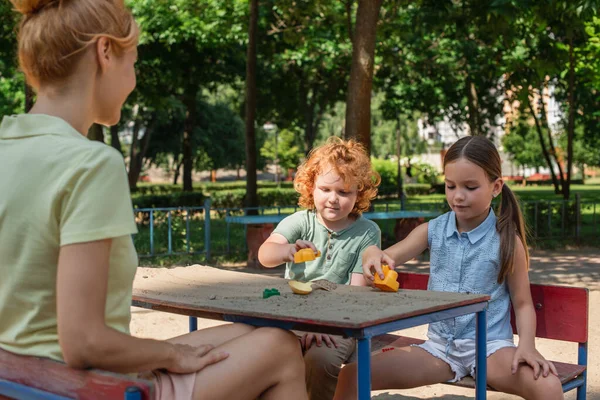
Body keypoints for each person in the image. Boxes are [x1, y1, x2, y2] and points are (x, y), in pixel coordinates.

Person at [0, 1, 307, 399]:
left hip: (17, 382)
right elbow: (83, 342)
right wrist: (169, 354)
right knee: (281, 350)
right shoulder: (91, 164)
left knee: (254, 333)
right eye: (134, 63)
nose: (133, 79)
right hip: (80, 386)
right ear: (105, 52)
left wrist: (164, 352)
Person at [334, 136, 564, 400]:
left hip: (491, 349)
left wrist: (527, 347)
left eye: (470, 187)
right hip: (439, 349)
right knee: (351, 375)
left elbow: (523, 304)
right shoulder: (433, 230)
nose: (458, 196)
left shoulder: (507, 242)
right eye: (450, 186)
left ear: (496, 187)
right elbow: (388, 257)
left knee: (548, 386)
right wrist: (373, 252)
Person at [258, 136, 382, 400]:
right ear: (311, 187)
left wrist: (324, 324)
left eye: (344, 192)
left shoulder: (367, 232)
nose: (333, 199)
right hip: (292, 314)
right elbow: (265, 255)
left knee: (321, 359)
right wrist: (286, 251)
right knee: (261, 354)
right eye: (325, 189)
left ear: (358, 193)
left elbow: (355, 291)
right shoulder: (300, 222)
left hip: (340, 319)